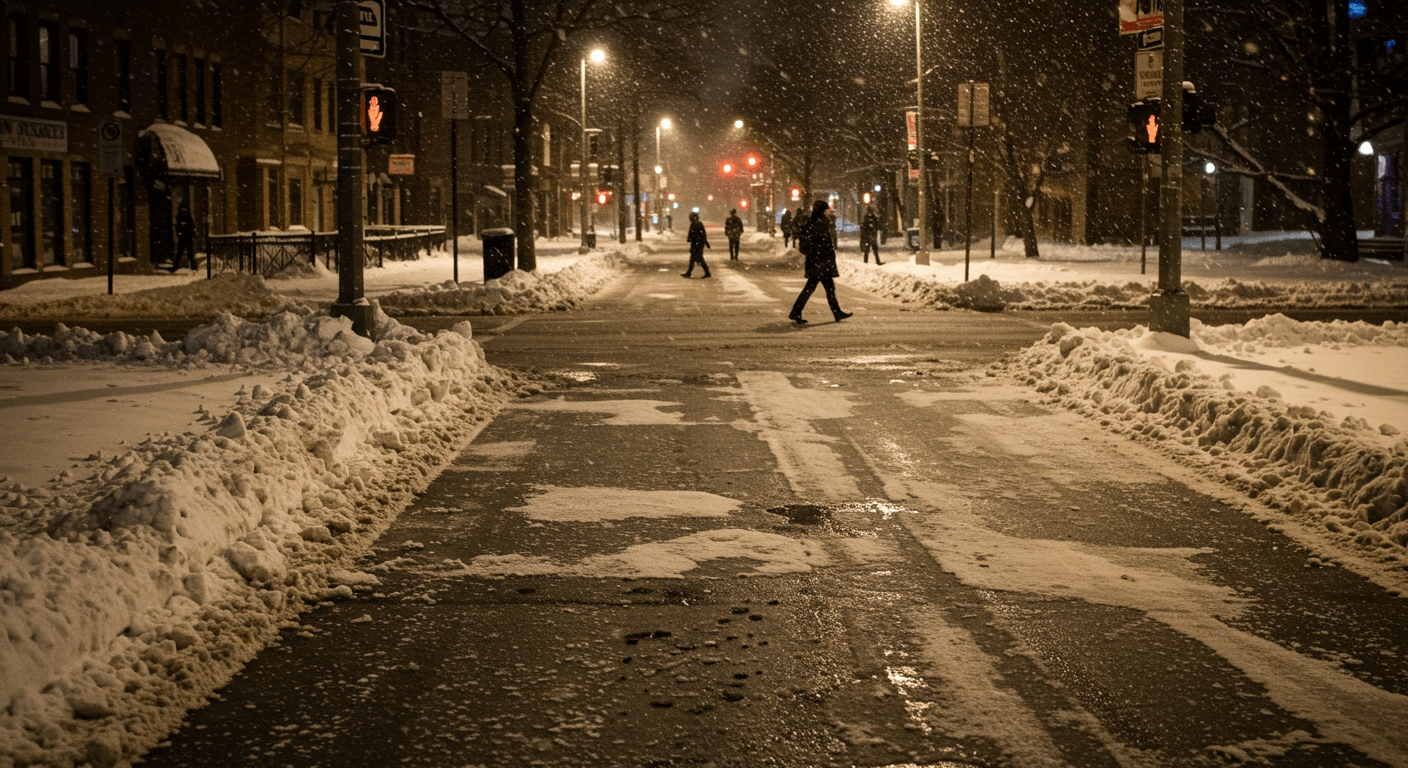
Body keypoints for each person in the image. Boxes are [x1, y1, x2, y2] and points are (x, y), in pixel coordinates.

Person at [788, 200, 851, 324]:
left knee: (814, 287)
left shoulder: (812, 222)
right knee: (826, 288)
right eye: (826, 210)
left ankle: (796, 311)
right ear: (822, 211)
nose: (828, 213)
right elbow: (823, 244)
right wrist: (822, 255)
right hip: (821, 262)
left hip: (816, 261)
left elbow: (807, 245)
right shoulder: (820, 223)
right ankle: (836, 312)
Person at [682, 211, 711, 278]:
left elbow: (692, 234)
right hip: (699, 243)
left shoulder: (694, 224)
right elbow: (703, 234)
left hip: (696, 244)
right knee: (696, 258)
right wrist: (706, 243)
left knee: (698, 258)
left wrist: (689, 239)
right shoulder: (699, 224)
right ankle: (689, 273)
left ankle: (706, 272)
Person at [173, 203, 197, 272]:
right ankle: (193, 267)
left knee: (181, 253)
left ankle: (176, 267)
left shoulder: (181, 217)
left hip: (184, 237)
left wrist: (180, 233)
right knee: (188, 253)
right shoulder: (187, 217)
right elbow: (191, 226)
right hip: (187, 237)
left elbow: (178, 226)